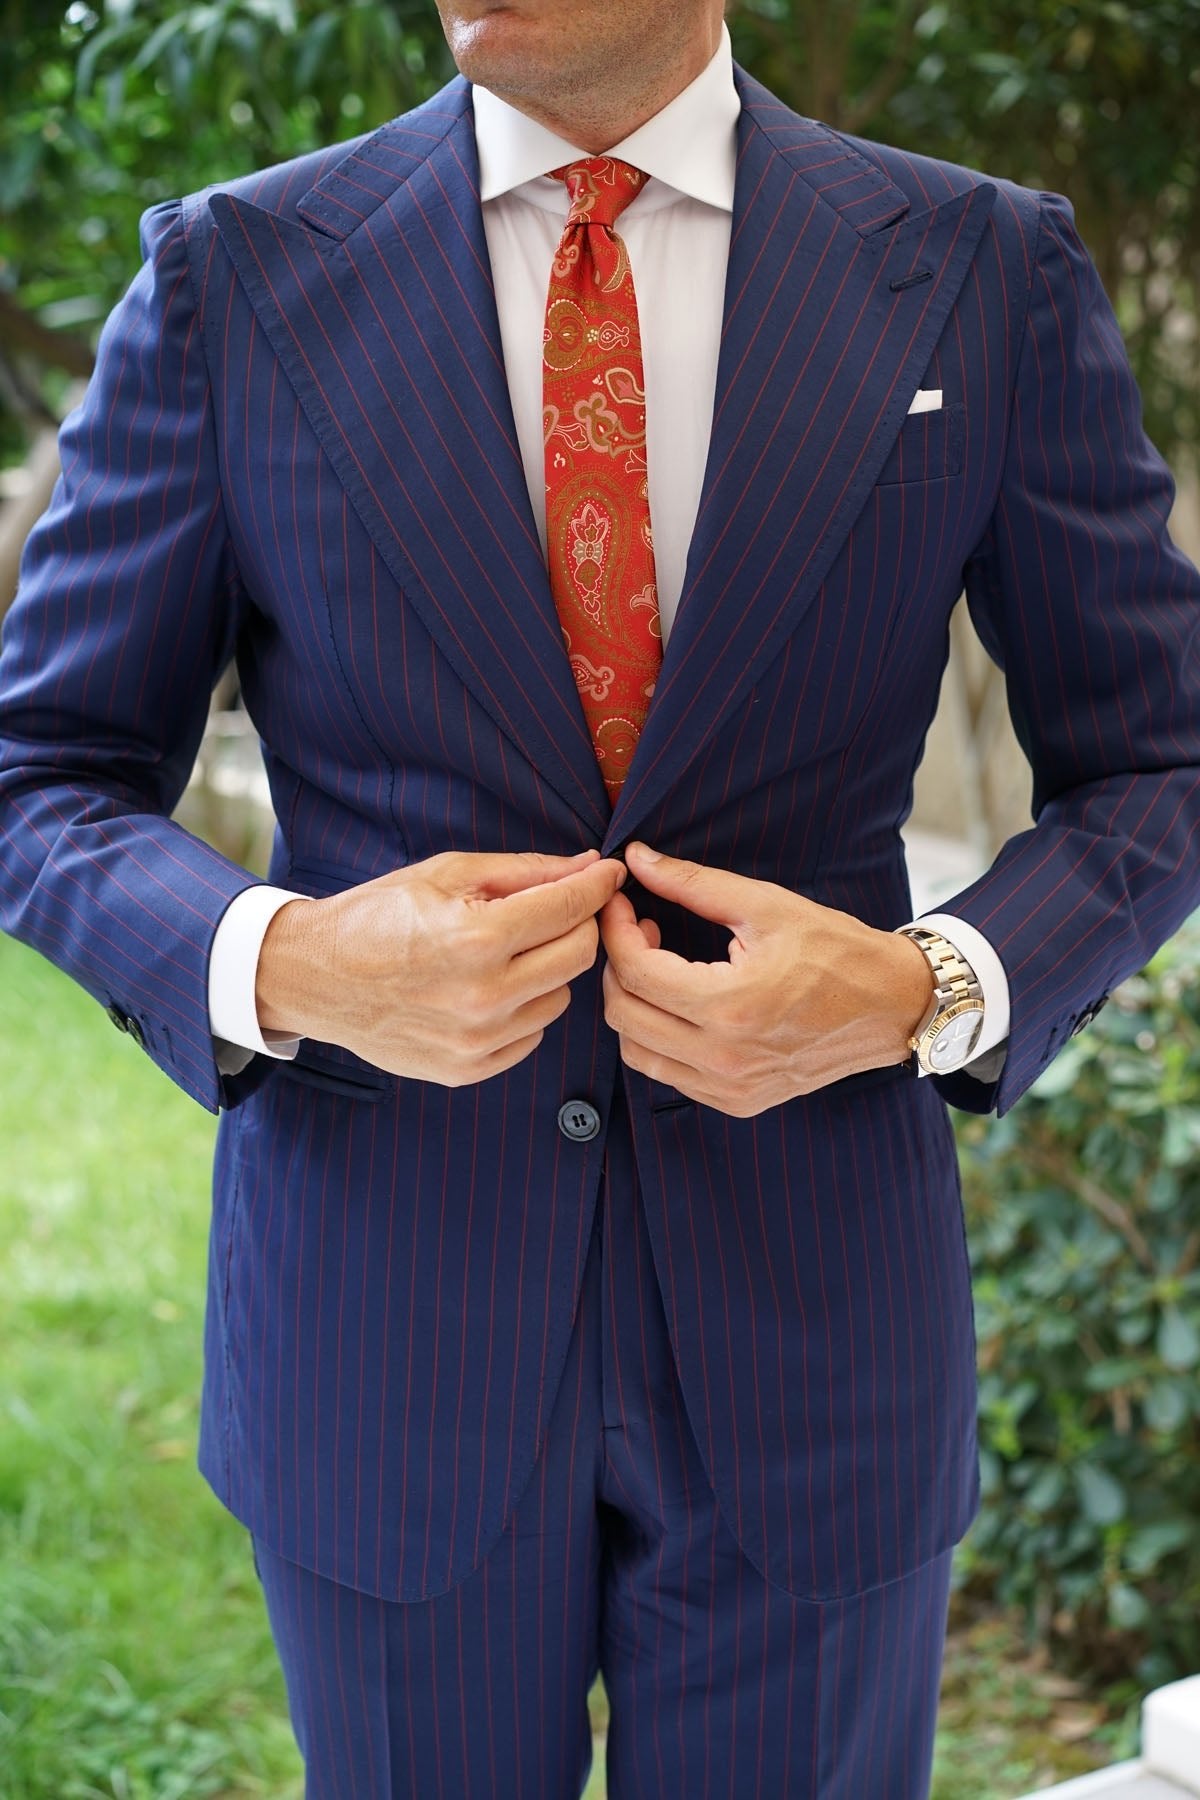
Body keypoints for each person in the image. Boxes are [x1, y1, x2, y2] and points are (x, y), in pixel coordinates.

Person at [2, 0, 1199, 1793]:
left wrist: (928, 986)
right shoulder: (236, 277)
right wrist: (293, 960)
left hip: (819, 1333)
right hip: (385, 1333)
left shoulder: (973, 267)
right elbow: (45, 772)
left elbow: (1158, 758)